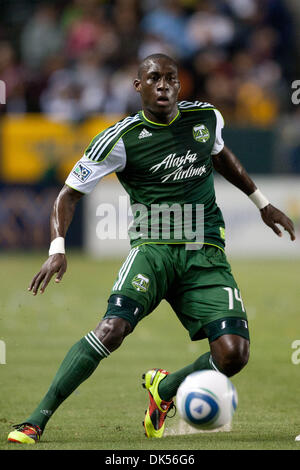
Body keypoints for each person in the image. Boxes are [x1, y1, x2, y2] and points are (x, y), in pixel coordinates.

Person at [8, 54, 295, 444]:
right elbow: (67, 195)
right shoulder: (119, 138)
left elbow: (220, 154)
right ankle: (35, 420)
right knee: (112, 329)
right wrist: (57, 247)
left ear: (180, 84)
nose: (163, 85)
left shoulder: (206, 118)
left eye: (171, 78)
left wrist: (262, 202)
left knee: (233, 354)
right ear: (138, 86)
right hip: (153, 249)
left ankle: (165, 389)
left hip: (205, 252)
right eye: (154, 78)